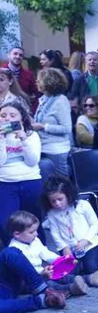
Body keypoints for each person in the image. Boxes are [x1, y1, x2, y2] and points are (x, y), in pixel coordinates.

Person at [43, 176, 98, 287]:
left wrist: (86, 240)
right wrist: (64, 247)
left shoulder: (82, 205)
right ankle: (85, 279)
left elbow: (95, 225)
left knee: (92, 268)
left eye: (60, 199)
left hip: (89, 245)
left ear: (68, 195)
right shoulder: (52, 213)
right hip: (69, 249)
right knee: (67, 272)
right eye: (53, 201)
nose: (57, 204)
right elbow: (55, 233)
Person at [7, 211, 89, 297]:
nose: (36, 234)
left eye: (36, 230)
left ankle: (87, 279)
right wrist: (41, 273)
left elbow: (46, 254)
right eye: (31, 232)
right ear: (17, 234)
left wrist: (63, 260)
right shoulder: (14, 251)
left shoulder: (35, 241)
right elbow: (26, 272)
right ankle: (69, 289)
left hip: (40, 273)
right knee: (48, 283)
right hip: (25, 281)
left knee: (59, 273)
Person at [0, 101, 44, 245]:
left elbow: (32, 161)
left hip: (30, 180)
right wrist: (1, 141)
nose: (7, 119)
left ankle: (39, 253)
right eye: (3, 115)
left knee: (34, 220)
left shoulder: (32, 135)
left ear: (21, 118)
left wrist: (24, 139)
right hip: (6, 183)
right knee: (7, 223)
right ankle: (12, 256)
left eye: (12, 115)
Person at [0, 236, 67, 313]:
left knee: (10, 253)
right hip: (4, 293)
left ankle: (44, 290)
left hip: (5, 279)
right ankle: (43, 300)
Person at [33, 68, 72, 178]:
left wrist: (43, 126)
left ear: (48, 82)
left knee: (61, 183)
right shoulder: (43, 99)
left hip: (56, 150)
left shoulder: (61, 100)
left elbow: (66, 128)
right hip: (43, 147)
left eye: (39, 80)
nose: (36, 82)